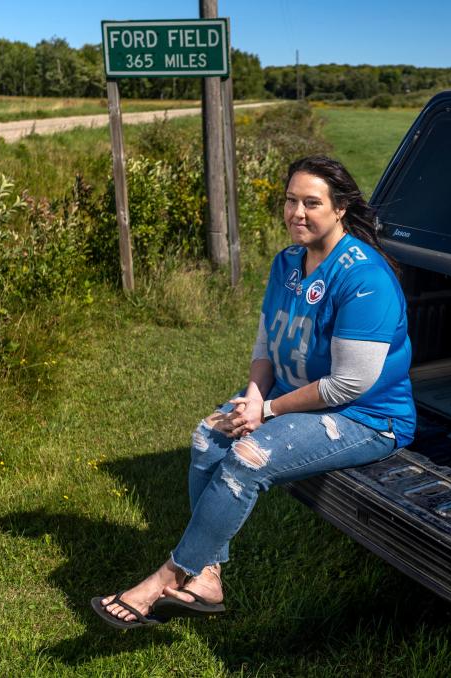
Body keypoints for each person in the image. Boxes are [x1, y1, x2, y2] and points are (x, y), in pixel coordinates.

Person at [93, 155, 417, 629]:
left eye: (312, 203)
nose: (296, 213)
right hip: (289, 396)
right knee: (209, 436)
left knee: (248, 459)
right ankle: (206, 577)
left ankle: (166, 577)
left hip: (366, 418)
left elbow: (351, 383)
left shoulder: (365, 278)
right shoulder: (288, 262)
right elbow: (268, 343)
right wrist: (251, 399)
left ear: (341, 208)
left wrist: (267, 410)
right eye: (290, 201)